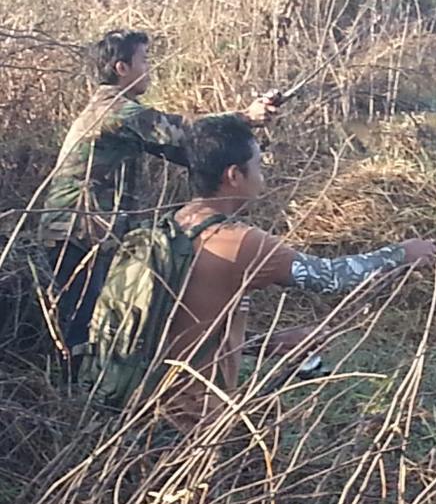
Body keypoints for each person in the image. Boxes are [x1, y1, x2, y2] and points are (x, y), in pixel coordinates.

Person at [161, 113, 436, 426]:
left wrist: (267, 343)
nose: (262, 178)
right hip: (196, 420)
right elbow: (331, 277)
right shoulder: (241, 243)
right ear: (234, 175)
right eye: (258, 166)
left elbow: (191, 329)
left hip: (150, 403)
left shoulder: (175, 224)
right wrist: (401, 254)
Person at [39, 29, 277, 359]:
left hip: (85, 230)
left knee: (96, 319)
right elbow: (182, 131)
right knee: (83, 324)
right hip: (77, 231)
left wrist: (239, 145)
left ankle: (93, 390)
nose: (149, 68)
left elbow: (186, 150)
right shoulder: (116, 111)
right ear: (122, 68)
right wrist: (245, 118)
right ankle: (79, 398)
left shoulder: (118, 114)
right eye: (144, 60)